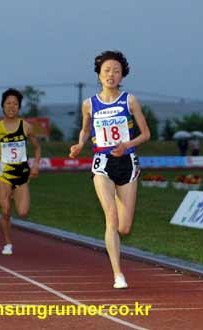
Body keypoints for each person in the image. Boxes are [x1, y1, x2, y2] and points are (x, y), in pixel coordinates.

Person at [69, 50, 150, 289]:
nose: (111, 74)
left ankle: (117, 192)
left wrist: (127, 144)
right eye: (106, 70)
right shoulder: (89, 104)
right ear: (99, 74)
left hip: (127, 162)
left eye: (116, 71)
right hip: (102, 162)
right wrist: (80, 144)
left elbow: (146, 134)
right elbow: (85, 130)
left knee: (124, 227)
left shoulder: (130, 101)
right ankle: (118, 274)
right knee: (111, 218)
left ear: (122, 74)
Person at [0, 88, 41, 255]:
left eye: (15, 104)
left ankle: (16, 193)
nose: (11, 107)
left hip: (22, 173)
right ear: (3, 106)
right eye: (8, 103)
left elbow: (37, 148)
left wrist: (36, 165)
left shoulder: (26, 127)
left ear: (19, 107)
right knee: (6, 210)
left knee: (23, 212)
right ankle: (8, 243)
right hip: (4, 174)